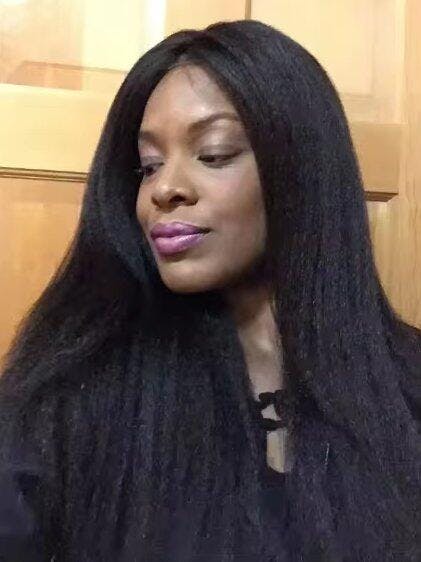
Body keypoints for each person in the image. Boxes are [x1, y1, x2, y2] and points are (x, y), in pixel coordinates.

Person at [0, 18, 420, 562]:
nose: (165, 188)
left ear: (302, 167)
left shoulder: (405, 385)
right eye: (148, 166)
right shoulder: (68, 396)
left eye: (214, 154)